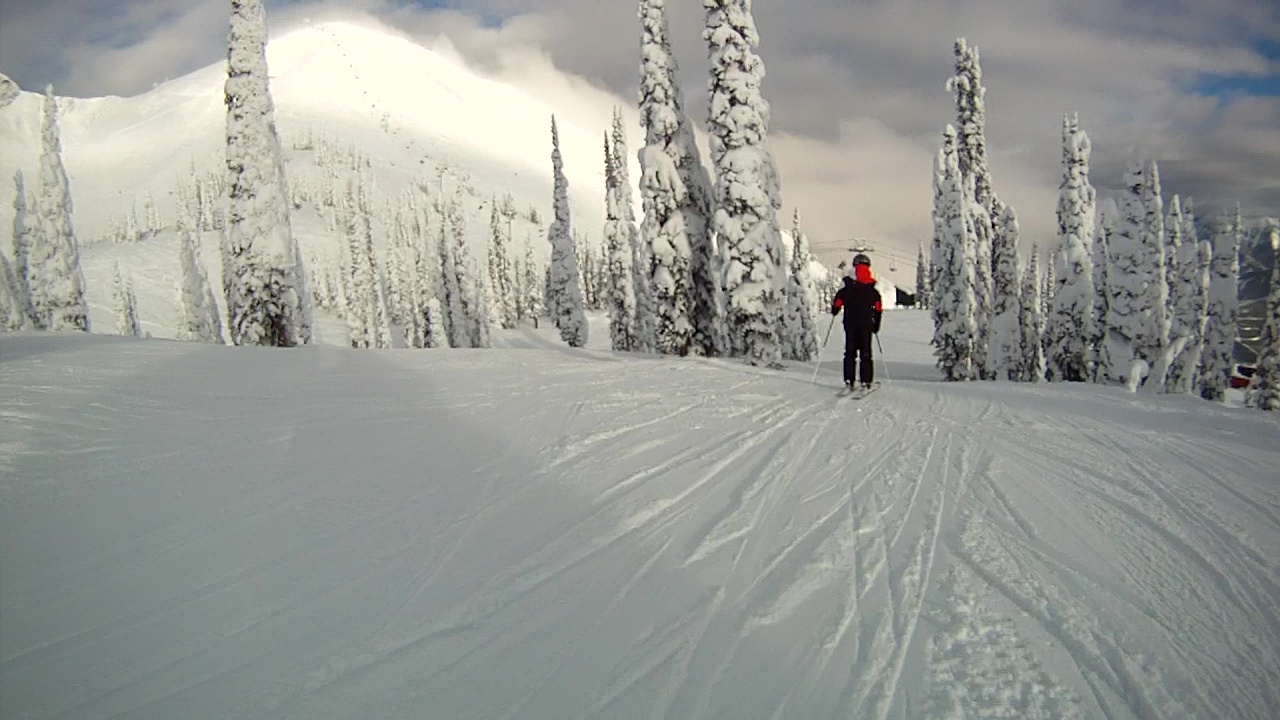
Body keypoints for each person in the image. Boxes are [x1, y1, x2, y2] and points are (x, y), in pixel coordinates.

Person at [830, 253, 883, 389]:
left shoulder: (847, 285)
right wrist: (876, 324)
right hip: (866, 324)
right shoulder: (872, 288)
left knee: (850, 352)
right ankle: (866, 380)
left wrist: (835, 310)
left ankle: (849, 379)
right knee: (866, 352)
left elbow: (837, 303)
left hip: (850, 323)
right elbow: (878, 308)